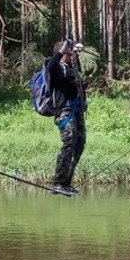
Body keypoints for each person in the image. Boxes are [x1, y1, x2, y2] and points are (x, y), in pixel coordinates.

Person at [46, 39, 86, 196]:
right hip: (64, 111)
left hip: (77, 111)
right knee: (69, 141)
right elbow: (50, 66)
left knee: (80, 143)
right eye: (70, 54)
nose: (72, 57)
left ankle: (66, 183)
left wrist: (77, 50)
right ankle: (58, 182)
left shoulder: (72, 68)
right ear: (62, 54)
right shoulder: (57, 69)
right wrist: (63, 49)